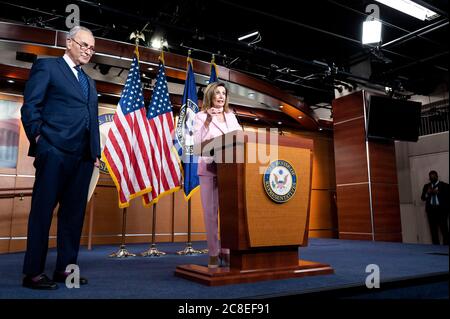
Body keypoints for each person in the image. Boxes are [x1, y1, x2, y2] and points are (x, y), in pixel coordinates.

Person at [20, 26, 101, 289]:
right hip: (54, 151)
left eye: (92, 47)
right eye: (84, 45)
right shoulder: (47, 67)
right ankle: (33, 273)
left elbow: (92, 120)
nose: (88, 51)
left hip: (83, 158)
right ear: (69, 43)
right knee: (42, 212)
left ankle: (65, 271)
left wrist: (95, 153)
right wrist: (39, 139)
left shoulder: (89, 81)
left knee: (73, 215)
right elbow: (31, 106)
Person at [193, 82, 242, 268]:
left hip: (229, 169)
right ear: (210, 96)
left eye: (223, 93)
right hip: (209, 168)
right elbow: (197, 143)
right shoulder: (200, 116)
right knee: (211, 213)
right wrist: (207, 121)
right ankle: (213, 253)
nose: (221, 96)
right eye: (217, 93)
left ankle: (227, 251)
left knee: (229, 213)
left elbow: (240, 137)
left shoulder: (231, 116)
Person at [421, 170, 449, 245]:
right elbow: (423, 198)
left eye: (433, 176)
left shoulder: (444, 185)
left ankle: (446, 248)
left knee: (444, 230)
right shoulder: (426, 186)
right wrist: (427, 193)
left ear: (437, 176)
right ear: (429, 178)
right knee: (433, 231)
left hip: (442, 211)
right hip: (431, 211)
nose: (432, 177)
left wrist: (439, 192)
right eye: (430, 176)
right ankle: (435, 248)